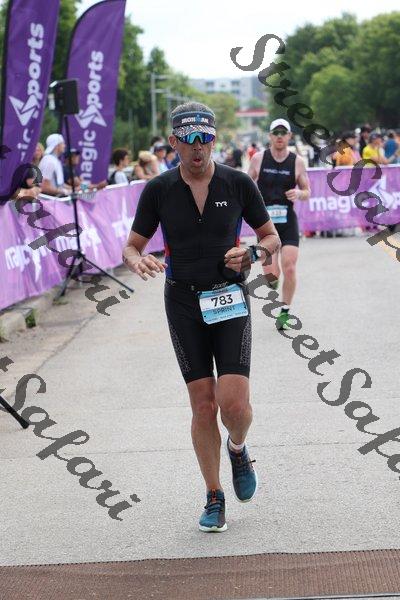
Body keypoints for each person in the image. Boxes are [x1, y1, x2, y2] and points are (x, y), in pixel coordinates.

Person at [123, 102, 280, 533]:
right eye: (189, 139)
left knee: (235, 406)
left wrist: (254, 252)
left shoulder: (238, 182)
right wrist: (137, 260)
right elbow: (132, 245)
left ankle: (238, 448)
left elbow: (271, 236)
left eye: (205, 138)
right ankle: (214, 495)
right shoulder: (159, 189)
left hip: (228, 298)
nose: (198, 148)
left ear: (214, 139)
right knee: (204, 405)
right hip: (183, 303)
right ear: (173, 142)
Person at [248, 118, 311, 330]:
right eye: (276, 133)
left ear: (289, 136)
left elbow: (307, 191)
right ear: (270, 136)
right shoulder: (258, 159)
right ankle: (273, 281)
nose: (280, 136)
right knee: (271, 275)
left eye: (284, 133)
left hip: (287, 220)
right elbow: (245, 185)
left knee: (290, 268)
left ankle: (284, 312)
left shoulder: (297, 161)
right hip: (265, 224)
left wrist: (299, 193)